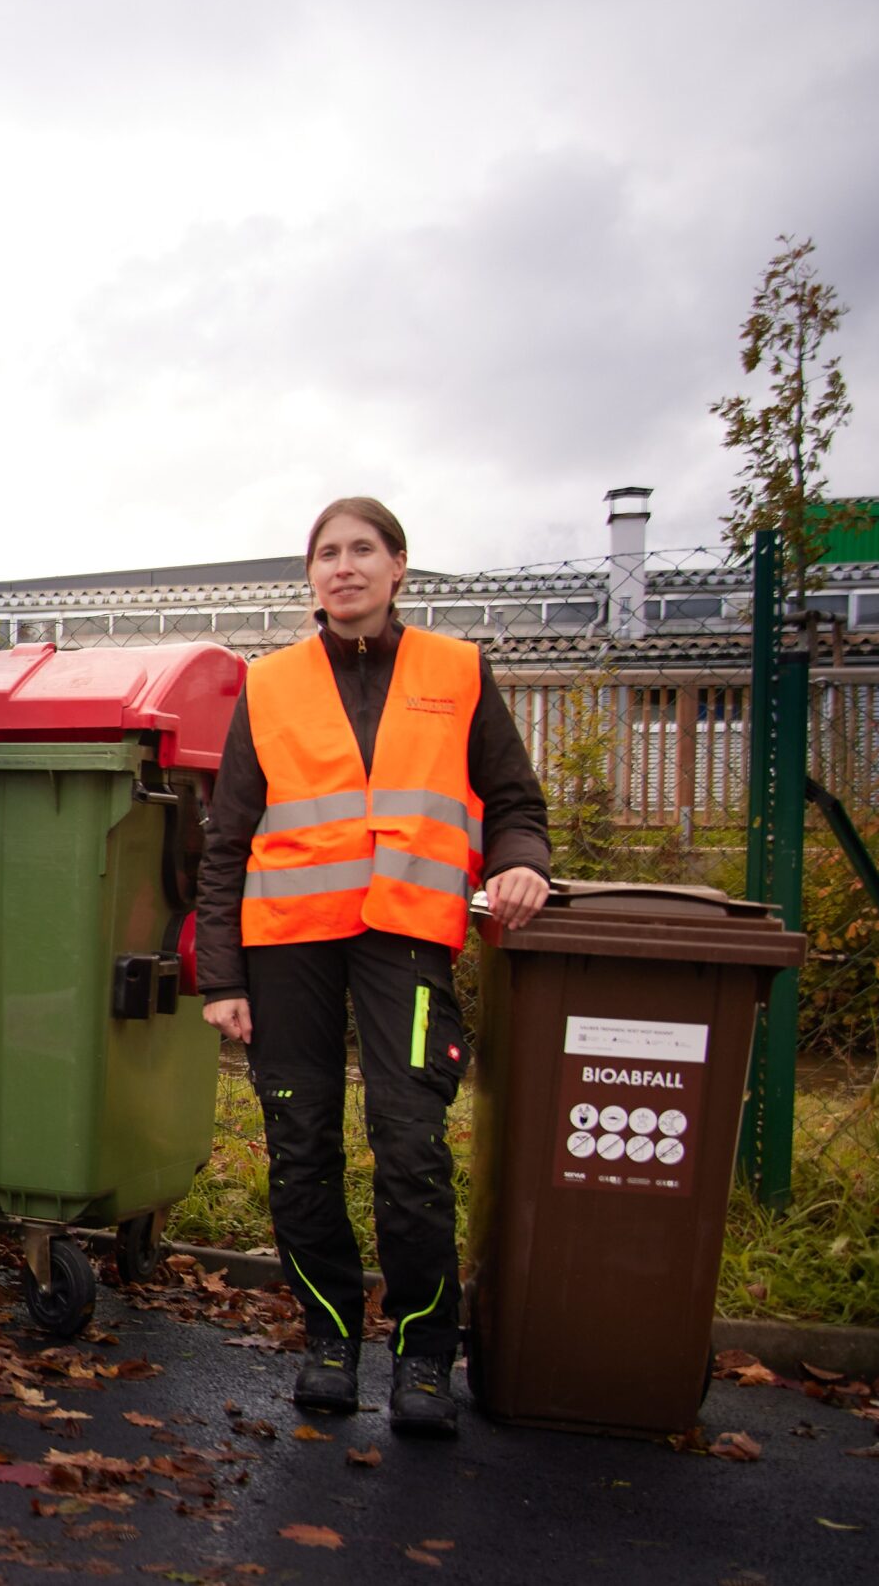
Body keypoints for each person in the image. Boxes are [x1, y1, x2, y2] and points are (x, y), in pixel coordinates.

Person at [192, 496, 550, 1437]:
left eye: (361, 551)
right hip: (288, 950)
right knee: (300, 1145)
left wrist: (520, 863)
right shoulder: (267, 686)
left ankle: (426, 1355)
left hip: (406, 939)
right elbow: (226, 841)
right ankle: (330, 1341)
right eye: (325, 554)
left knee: (412, 1144)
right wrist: (221, 979)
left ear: (399, 566)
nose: (342, 567)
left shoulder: (458, 672)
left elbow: (515, 802)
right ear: (309, 575)